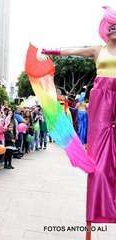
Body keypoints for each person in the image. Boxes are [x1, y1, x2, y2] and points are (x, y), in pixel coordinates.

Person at [41, 5, 116, 227]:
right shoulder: (97, 50)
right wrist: (49, 51)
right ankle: (101, 204)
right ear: (105, 28)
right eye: (111, 26)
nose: (114, 30)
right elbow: (72, 50)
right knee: (99, 147)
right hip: (102, 95)